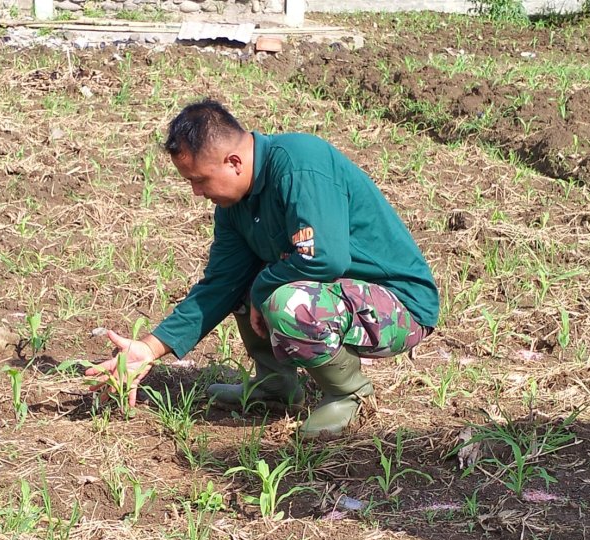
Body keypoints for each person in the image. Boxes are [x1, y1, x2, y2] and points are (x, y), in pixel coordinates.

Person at [86, 99, 439, 436]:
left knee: (285, 299)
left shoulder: (301, 164)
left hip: (398, 307)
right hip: (341, 296)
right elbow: (220, 284)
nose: (196, 192)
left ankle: (350, 395)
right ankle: (276, 385)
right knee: (243, 282)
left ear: (234, 162)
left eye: (200, 179)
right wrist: (150, 348)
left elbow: (325, 258)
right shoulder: (233, 206)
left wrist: (262, 287)